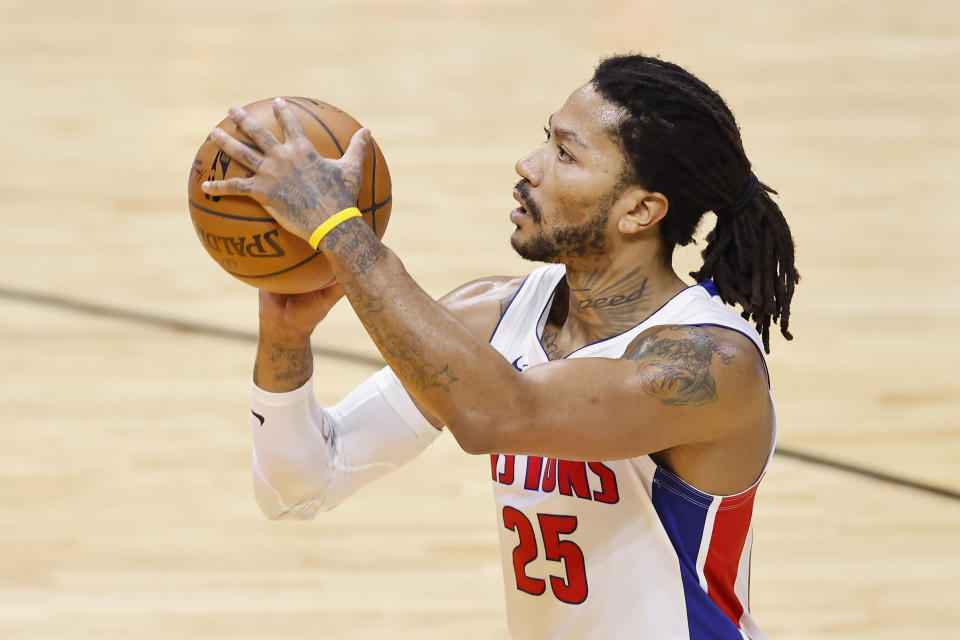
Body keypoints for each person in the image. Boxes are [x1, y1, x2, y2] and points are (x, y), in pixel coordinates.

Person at [202, 53, 799, 639]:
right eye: (545, 139)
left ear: (640, 210)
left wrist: (339, 228)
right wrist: (285, 335)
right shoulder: (495, 315)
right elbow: (300, 487)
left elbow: (498, 414)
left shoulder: (709, 365)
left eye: (565, 153)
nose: (528, 164)